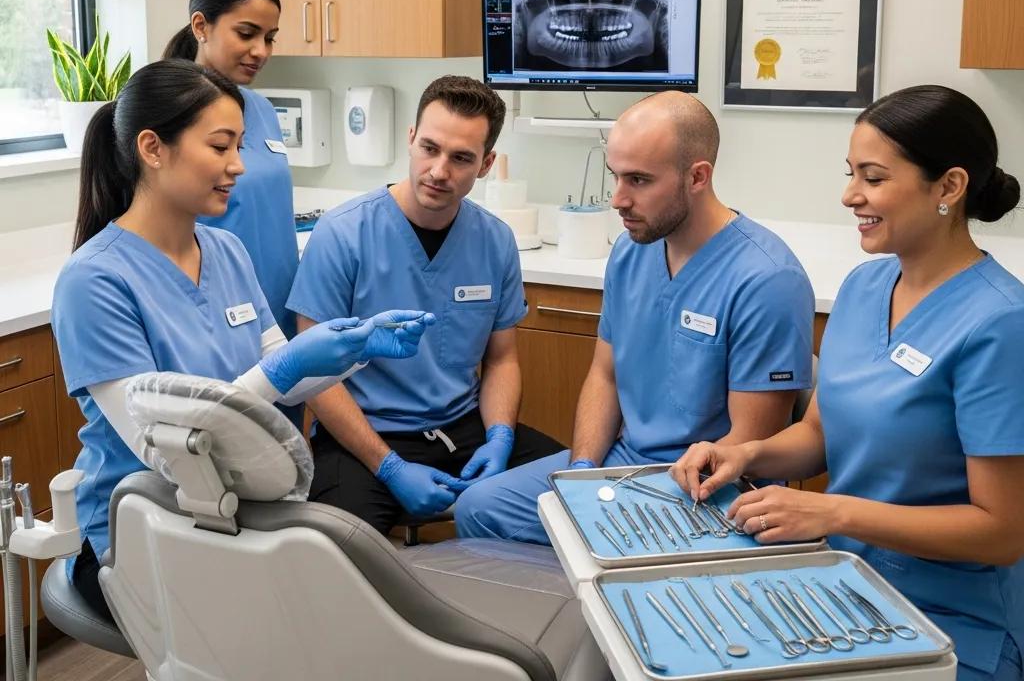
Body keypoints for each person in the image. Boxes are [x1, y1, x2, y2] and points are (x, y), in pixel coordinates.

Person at [52, 60, 431, 620]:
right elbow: (166, 451)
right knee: (314, 616)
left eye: (240, 146)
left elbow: (280, 366)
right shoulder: (94, 281)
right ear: (153, 148)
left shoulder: (225, 251)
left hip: (234, 513)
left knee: (359, 597)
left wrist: (353, 349)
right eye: (220, 146)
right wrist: (282, 370)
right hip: (140, 533)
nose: (239, 165)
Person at [674, 85, 1024, 681]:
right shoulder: (863, 288)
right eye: (850, 173)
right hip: (844, 585)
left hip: (949, 622)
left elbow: (1002, 532)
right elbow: (818, 433)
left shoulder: (1000, 324)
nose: (850, 195)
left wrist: (831, 512)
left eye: (874, 177)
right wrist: (745, 454)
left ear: (949, 187)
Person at [455, 90, 814, 544]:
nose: (618, 199)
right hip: (622, 465)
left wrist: (627, 500)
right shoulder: (630, 251)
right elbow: (605, 376)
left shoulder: (766, 279)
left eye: (639, 180)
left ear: (697, 176)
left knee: (600, 546)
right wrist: (582, 474)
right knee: (480, 509)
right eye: (616, 176)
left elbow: (748, 444)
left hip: (707, 488)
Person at [286, 75, 564, 534]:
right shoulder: (343, 233)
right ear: (411, 138)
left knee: (578, 498)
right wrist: (389, 466)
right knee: (340, 548)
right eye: (429, 148)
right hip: (366, 437)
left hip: (466, 428)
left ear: (486, 164)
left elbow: (502, 360)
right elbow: (314, 376)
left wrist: (500, 436)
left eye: (461, 158)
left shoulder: (495, 241)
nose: (438, 171)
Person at [163, 0, 298, 343]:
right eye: (246, 33)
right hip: (216, 318)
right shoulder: (170, 116)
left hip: (281, 313)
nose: (261, 51)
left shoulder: (263, 110)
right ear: (201, 26)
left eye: (270, 38)